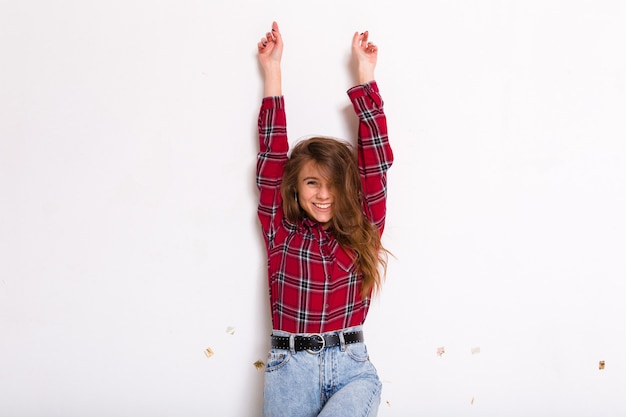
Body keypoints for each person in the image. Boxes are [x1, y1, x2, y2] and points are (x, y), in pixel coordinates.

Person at [256, 21, 394, 417]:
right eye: (312, 182)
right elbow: (271, 157)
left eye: (333, 183)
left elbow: (376, 163)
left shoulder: (362, 230)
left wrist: (365, 76)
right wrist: (273, 70)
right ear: (296, 188)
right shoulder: (281, 231)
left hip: (352, 366)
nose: (323, 193)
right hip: (290, 369)